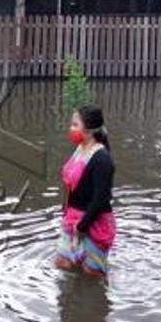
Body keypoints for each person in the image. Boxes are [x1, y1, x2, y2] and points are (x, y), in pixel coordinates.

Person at [54, 104, 116, 276]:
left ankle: (95, 301)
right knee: (62, 264)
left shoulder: (102, 159)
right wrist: (66, 210)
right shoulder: (80, 148)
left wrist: (82, 226)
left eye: (75, 125)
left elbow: (100, 199)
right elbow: (71, 183)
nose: (71, 129)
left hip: (93, 223)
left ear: (88, 130)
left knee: (92, 276)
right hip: (73, 219)